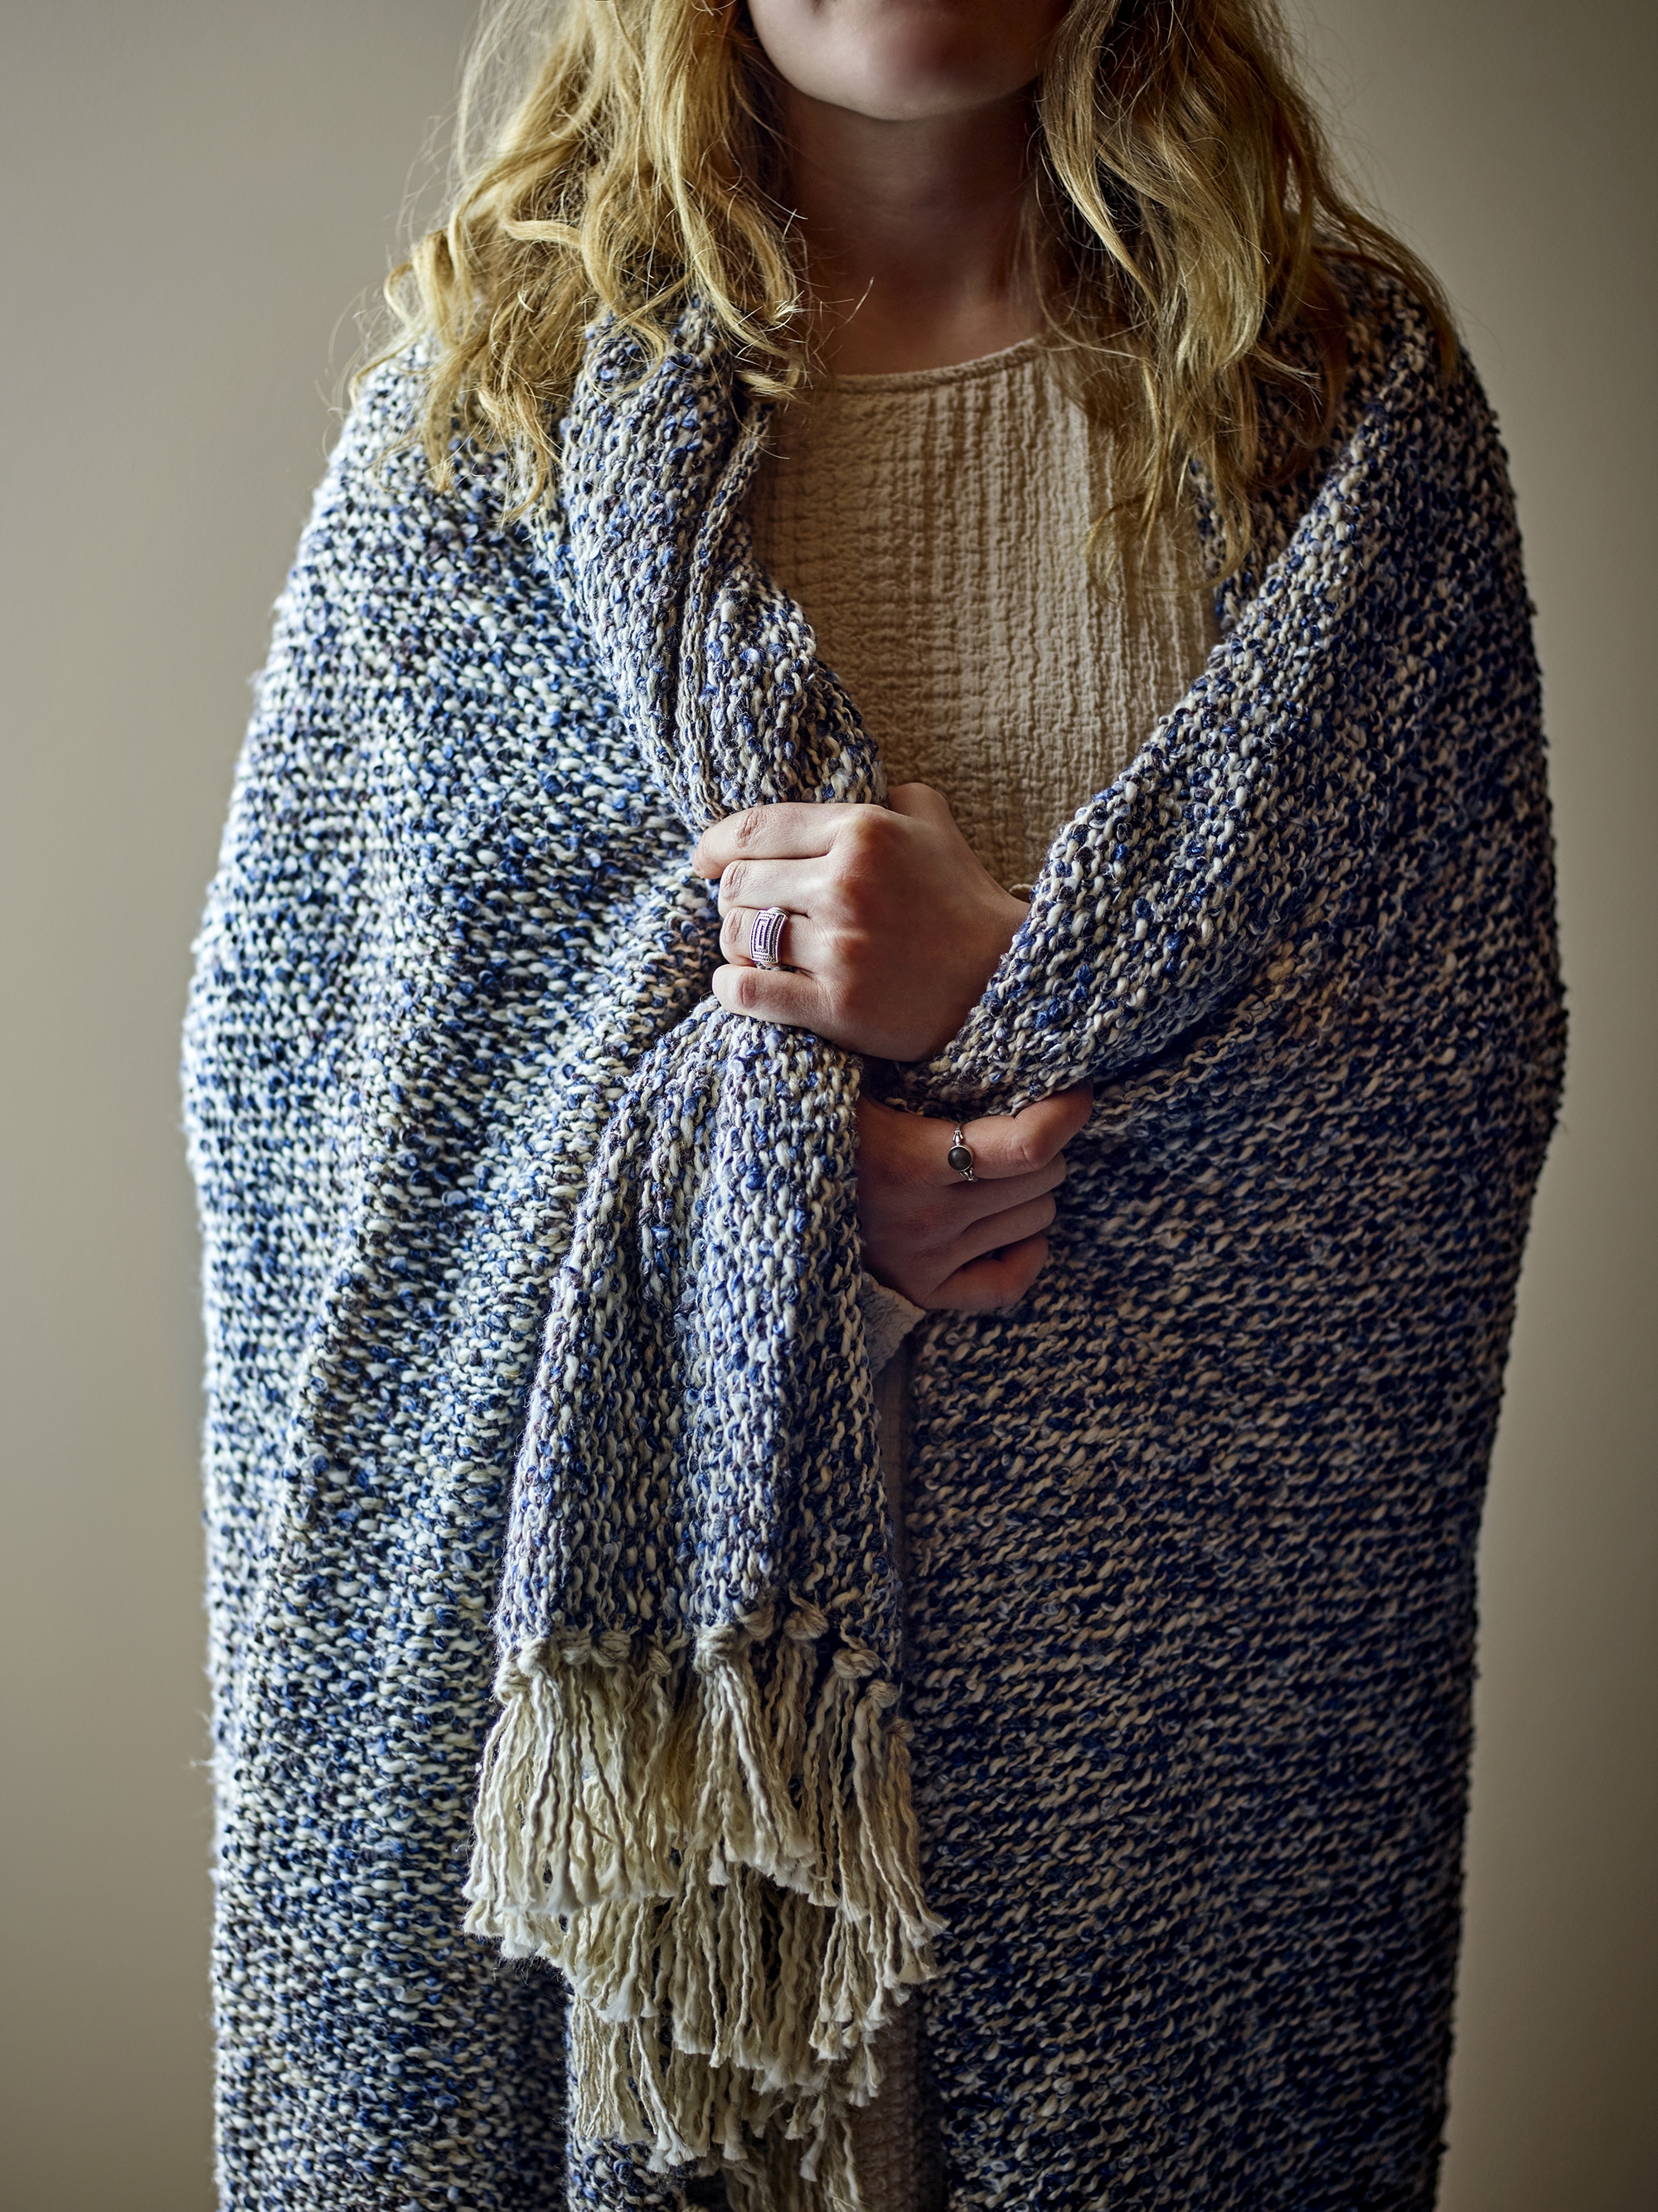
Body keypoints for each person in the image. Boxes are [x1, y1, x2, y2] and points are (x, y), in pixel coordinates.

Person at [183, 2, 1563, 2207]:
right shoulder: (493, 415)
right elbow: (329, 1134)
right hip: (646, 1857)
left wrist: (1011, 974)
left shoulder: (1332, 410)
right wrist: (796, 1202)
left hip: (1170, 1785)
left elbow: (1436, 1089)